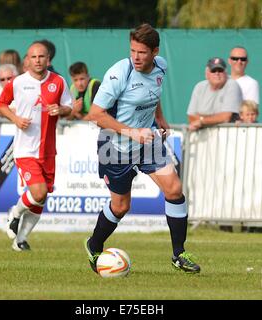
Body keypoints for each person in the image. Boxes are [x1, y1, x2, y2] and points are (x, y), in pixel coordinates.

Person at [84, 23, 201, 274]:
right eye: (133, 51)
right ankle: (94, 244)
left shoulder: (162, 66)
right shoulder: (119, 73)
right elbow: (95, 114)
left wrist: (159, 117)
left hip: (147, 141)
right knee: (121, 207)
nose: (136, 57)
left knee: (174, 189)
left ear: (155, 52)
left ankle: (179, 254)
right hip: (114, 146)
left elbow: (153, 93)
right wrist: (131, 132)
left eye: (142, 52)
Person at [0, 41, 72, 251]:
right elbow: (1, 104)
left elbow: (70, 107)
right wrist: (15, 119)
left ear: (48, 60)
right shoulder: (18, 82)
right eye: (33, 57)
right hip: (25, 150)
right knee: (37, 193)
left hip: (48, 150)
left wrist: (61, 110)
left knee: (41, 199)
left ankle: (20, 240)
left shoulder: (58, 81)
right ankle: (15, 213)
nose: (38, 60)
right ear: (27, 61)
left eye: (42, 57)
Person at [187, 57, 242, 131]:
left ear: (226, 73)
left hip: (227, 136)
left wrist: (201, 120)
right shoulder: (199, 87)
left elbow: (225, 117)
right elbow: (191, 116)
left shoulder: (232, 84)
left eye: (220, 70)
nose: (217, 73)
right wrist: (214, 118)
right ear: (207, 74)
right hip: (202, 137)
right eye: (213, 70)